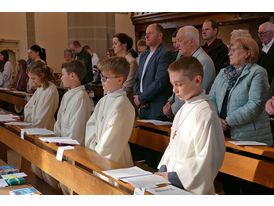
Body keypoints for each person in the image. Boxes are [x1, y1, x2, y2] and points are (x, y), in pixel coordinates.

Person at [155, 56, 225, 195]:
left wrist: (173, 177)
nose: (174, 90)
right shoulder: (183, 109)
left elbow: (206, 160)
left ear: (197, 80)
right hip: (172, 184)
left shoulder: (206, 114)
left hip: (190, 189)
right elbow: (172, 146)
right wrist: (163, 170)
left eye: (179, 84)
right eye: (172, 84)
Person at [209, 37, 273, 146]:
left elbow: (255, 104)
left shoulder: (258, 72)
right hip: (221, 132)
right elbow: (211, 98)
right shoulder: (223, 72)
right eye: (229, 50)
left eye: (233, 50)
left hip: (249, 136)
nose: (229, 54)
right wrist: (216, 119)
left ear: (247, 53)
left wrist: (228, 122)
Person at [85, 56, 134, 167]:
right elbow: (91, 125)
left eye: (105, 78)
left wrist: (97, 155)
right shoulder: (103, 100)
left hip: (114, 160)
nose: (101, 80)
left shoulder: (122, 105)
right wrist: (92, 149)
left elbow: (112, 141)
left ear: (120, 80)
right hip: (96, 154)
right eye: (101, 76)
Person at [162, 25, 215, 119]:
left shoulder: (203, 61)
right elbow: (179, 85)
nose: (177, 45)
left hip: (194, 116)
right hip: (182, 114)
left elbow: (195, 94)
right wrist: (170, 101)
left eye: (179, 40)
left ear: (191, 41)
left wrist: (172, 109)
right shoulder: (186, 59)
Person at [134, 23, 172, 120]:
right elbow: (137, 78)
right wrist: (139, 96)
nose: (146, 36)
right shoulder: (143, 55)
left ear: (160, 36)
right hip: (142, 107)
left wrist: (142, 98)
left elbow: (160, 82)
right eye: (146, 33)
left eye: (150, 33)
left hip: (156, 107)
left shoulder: (165, 54)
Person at [54, 60, 93, 146]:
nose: (61, 78)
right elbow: (59, 120)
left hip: (71, 148)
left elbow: (76, 130)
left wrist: (64, 146)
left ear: (72, 75)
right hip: (61, 142)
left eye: (63, 74)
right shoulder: (67, 94)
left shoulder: (81, 98)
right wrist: (56, 138)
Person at [24, 61, 59, 130]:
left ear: (42, 75)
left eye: (33, 78)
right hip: (33, 126)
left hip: (44, 129)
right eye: (30, 78)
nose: (32, 81)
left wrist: (33, 128)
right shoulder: (40, 87)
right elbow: (28, 107)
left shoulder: (50, 90)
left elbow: (43, 117)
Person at [112, 33, 138, 111]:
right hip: (113, 98)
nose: (113, 46)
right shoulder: (115, 61)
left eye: (115, 43)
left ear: (124, 45)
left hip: (125, 100)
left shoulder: (131, 61)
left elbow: (128, 85)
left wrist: (114, 95)